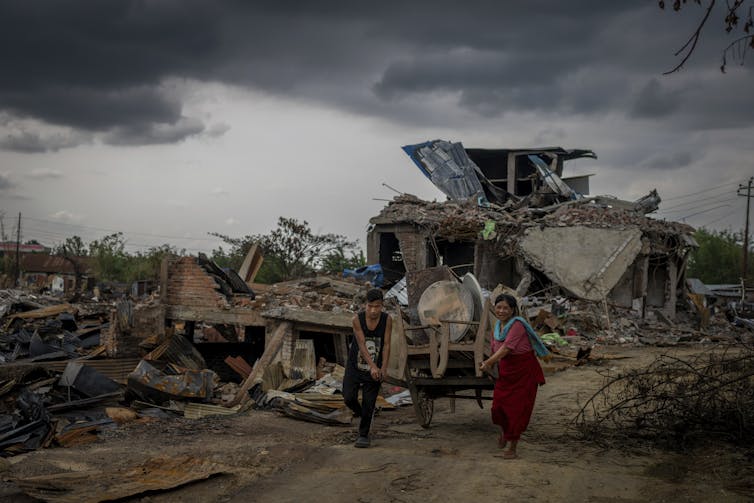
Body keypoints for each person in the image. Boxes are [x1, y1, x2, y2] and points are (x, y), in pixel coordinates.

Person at [479, 293, 548, 459]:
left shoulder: (517, 325)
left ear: (512, 310)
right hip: (506, 372)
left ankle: (512, 448)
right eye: (499, 307)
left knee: (517, 410)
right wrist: (492, 368)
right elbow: (495, 349)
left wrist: (488, 363)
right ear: (494, 308)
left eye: (506, 308)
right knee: (498, 407)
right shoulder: (497, 327)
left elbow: (506, 349)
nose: (501, 310)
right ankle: (505, 433)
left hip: (523, 372)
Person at [343, 288, 392, 448]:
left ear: (382, 305)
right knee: (349, 397)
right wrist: (372, 366)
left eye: (377, 306)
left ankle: (363, 435)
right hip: (355, 366)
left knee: (369, 402)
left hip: (376, 368)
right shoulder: (356, 320)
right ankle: (361, 413)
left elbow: (386, 344)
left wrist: (383, 368)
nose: (373, 310)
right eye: (370, 306)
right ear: (365, 305)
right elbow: (362, 345)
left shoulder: (387, 320)